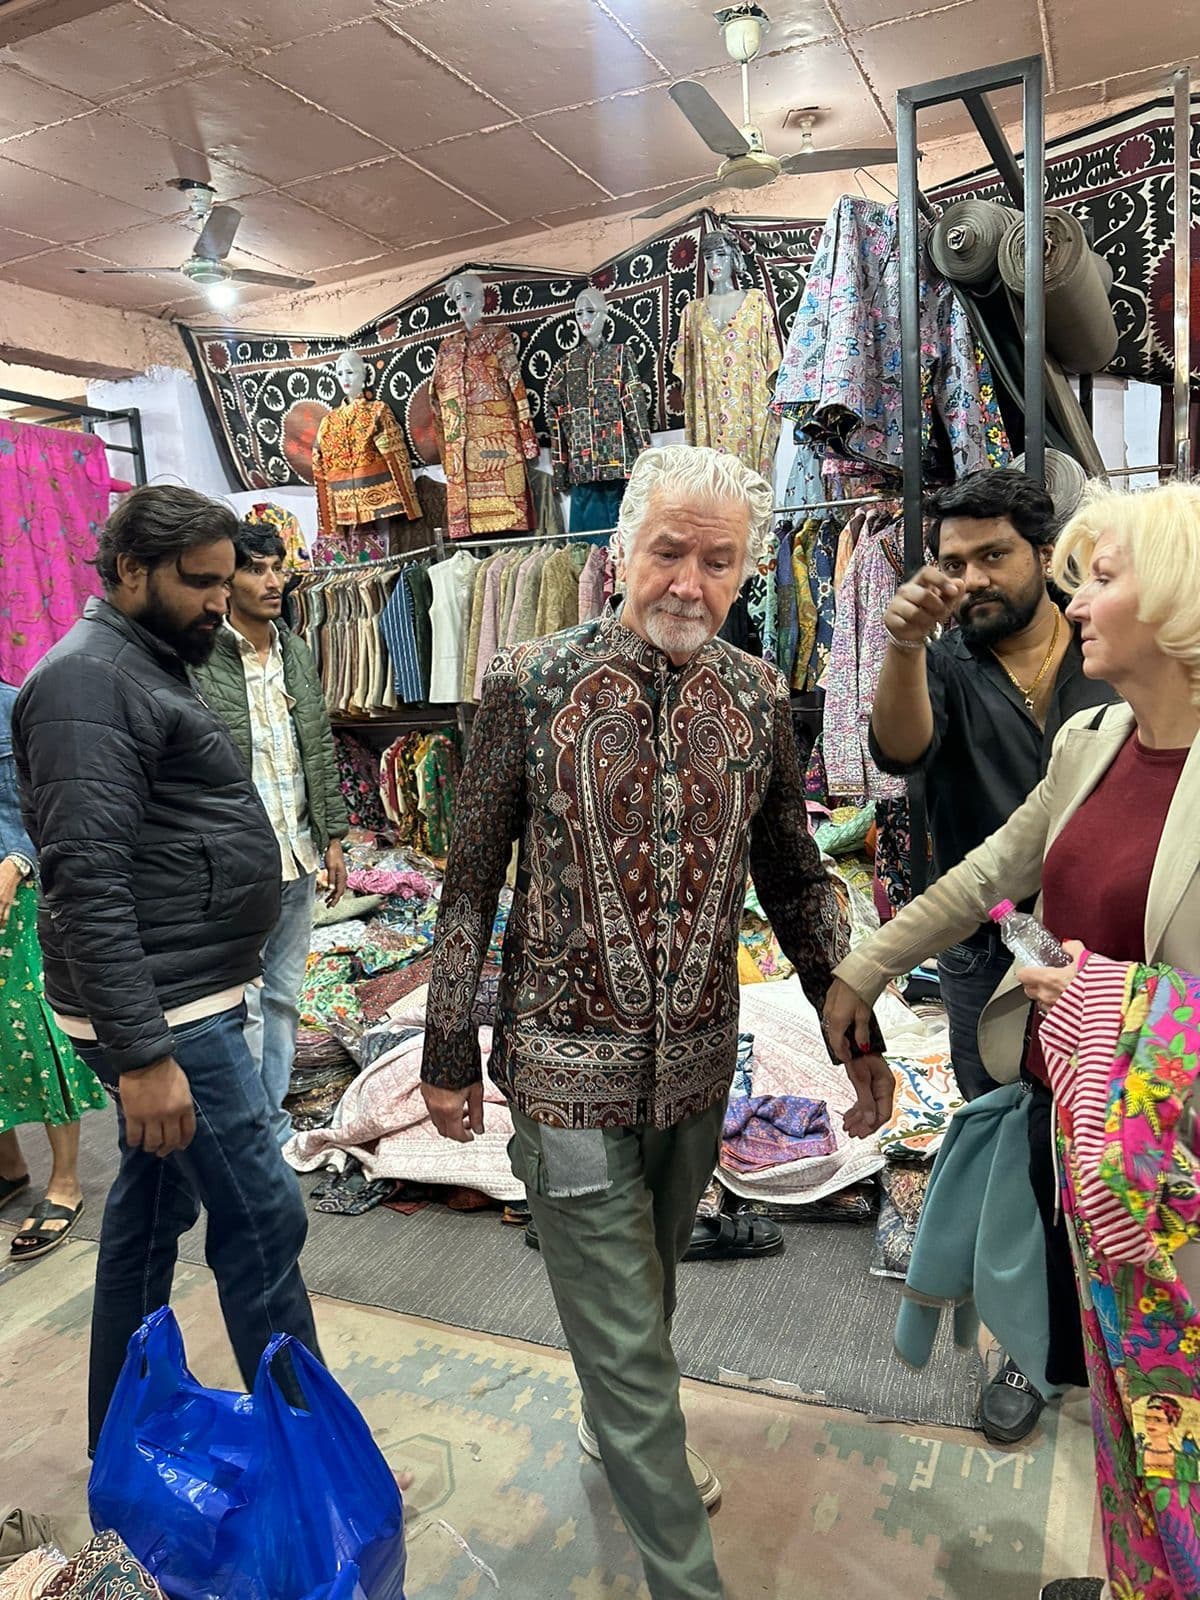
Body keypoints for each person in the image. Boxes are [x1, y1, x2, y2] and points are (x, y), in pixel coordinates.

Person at [420, 444, 876, 1600]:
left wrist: (852, 1019)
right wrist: (445, 1041)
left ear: (747, 572)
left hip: (697, 1064)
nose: (688, 581)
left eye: (718, 561)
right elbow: (470, 876)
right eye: (667, 551)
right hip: (560, 1063)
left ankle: (612, 1424)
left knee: (650, 1280)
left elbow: (793, 868)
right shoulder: (528, 680)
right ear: (619, 549)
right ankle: (685, 1573)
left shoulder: (758, 692)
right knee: (628, 1332)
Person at [823, 480, 1200, 1600]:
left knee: (1185, 1413)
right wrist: (867, 959)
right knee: (1135, 1401)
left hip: (1177, 1160)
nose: (1082, 599)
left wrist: (1106, 998)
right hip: (1094, 1141)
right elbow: (990, 871)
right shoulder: (1094, 739)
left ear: (1180, 601)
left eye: (1108, 575)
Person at [13, 484, 322, 1453]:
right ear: (130, 570)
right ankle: (312, 1457)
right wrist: (145, 1056)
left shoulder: (146, 660)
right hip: (163, 1008)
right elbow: (86, 882)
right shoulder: (85, 682)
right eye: (200, 583)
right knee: (264, 1218)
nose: (219, 603)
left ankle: (124, 1444)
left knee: (152, 1215)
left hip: (177, 988)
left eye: (227, 583)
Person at [871, 467, 1116, 1443]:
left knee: (1117, 1136)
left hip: (1118, 930)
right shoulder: (940, 660)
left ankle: (1126, 1322)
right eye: (951, 559)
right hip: (999, 940)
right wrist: (900, 641)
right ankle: (1024, 1344)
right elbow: (898, 751)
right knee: (1017, 1144)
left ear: (1040, 552)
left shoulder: (1105, 633)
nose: (969, 577)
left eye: (990, 556)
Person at [192, 521, 349, 1145]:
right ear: (225, 582)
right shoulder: (201, 661)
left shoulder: (295, 651)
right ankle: (251, 1128)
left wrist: (333, 837)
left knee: (283, 994)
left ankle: (273, 1122)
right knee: (246, 998)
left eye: (277, 567)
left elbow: (319, 748)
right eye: (255, 569)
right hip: (240, 860)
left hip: (299, 848)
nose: (273, 581)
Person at [0, 681, 108, 1262]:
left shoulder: (19, 705)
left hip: (14, 902)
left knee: (39, 1033)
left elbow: (52, 806)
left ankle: (64, 1181)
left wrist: (18, 862)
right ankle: (9, 1167)